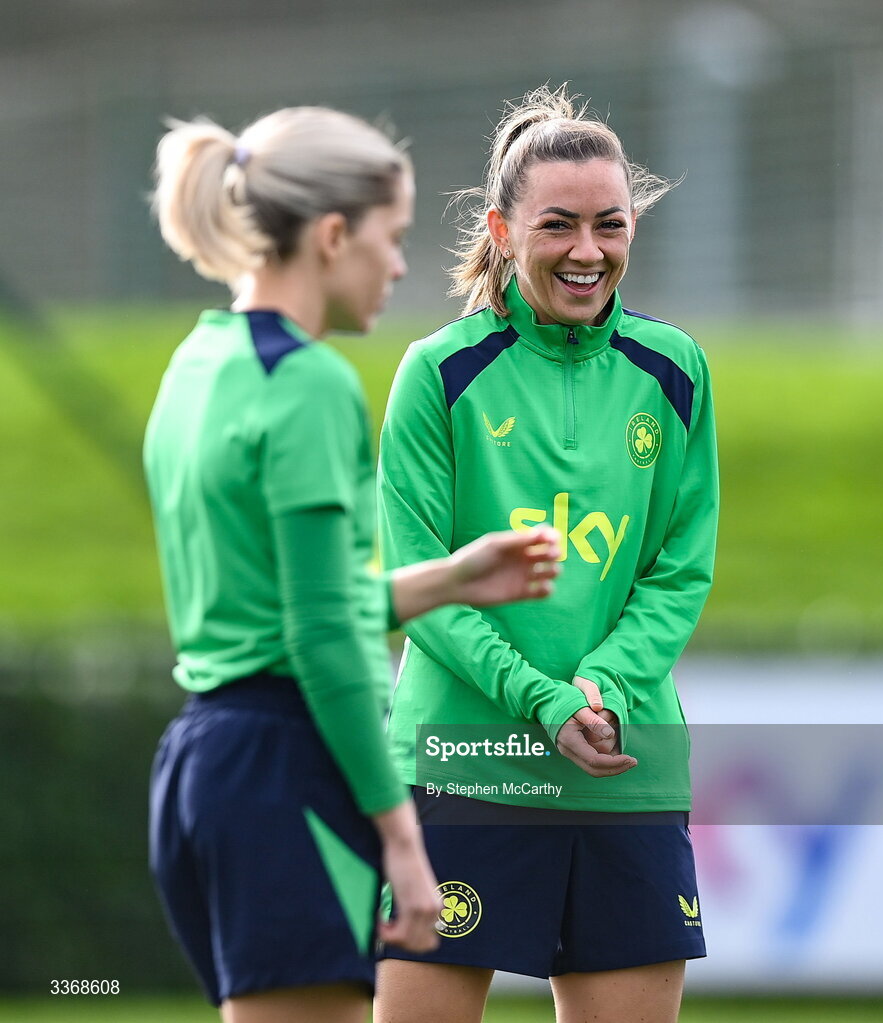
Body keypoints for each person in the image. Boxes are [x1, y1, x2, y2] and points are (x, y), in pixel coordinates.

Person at [144, 106, 566, 1023]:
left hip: (202, 765)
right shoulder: (311, 383)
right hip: (287, 766)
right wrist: (401, 837)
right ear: (333, 236)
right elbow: (321, 636)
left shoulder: (196, 363)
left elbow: (287, 605)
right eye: (394, 236)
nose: (403, 264)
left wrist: (450, 578)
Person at [375, 85, 719, 1023]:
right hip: (465, 760)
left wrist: (601, 687)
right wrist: (543, 698)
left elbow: (677, 568)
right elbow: (423, 587)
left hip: (623, 764)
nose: (586, 251)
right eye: (558, 224)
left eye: (610, 224)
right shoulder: (438, 373)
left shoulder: (674, 370)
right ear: (500, 226)